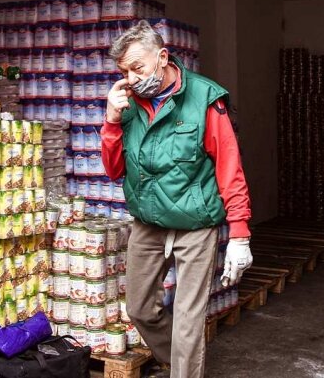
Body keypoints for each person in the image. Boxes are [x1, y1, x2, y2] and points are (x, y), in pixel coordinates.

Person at [100, 20, 253, 378]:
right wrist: (110, 120)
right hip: (149, 221)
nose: (132, 78)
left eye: (138, 67)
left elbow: (230, 168)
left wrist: (240, 234)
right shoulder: (129, 104)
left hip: (195, 224)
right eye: (124, 71)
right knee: (139, 309)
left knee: (188, 320)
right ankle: (179, 360)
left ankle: (185, 369)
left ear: (163, 56)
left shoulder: (204, 99)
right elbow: (113, 170)